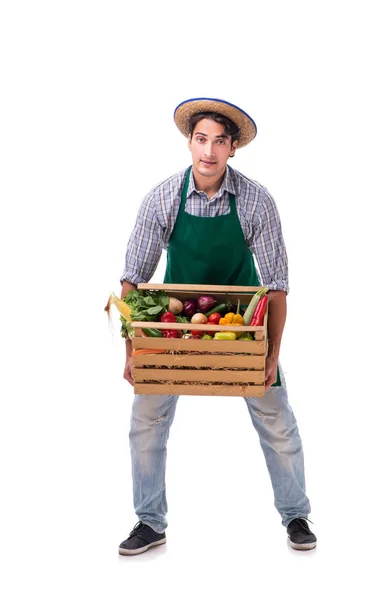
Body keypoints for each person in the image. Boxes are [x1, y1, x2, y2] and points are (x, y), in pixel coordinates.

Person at [118, 97, 316, 555]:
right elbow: (132, 278)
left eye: (219, 142)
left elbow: (277, 286)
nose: (209, 151)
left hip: (242, 329)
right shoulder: (163, 197)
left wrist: (270, 355)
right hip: (176, 325)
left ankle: (296, 515)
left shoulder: (255, 201)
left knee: (277, 421)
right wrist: (134, 352)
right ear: (189, 143)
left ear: (232, 149)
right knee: (147, 420)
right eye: (201, 139)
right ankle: (150, 522)